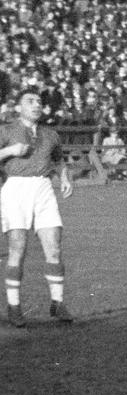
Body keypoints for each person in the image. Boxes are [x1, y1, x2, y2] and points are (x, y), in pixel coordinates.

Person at [0, 90, 74, 326]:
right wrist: (10, 151)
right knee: (17, 247)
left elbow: (59, 159)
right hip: (16, 188)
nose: (36, 105)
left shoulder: (50, 134)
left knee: (54, 245)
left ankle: (58, 302)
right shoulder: (6, 130)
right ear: (19, 107)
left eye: (39, 102)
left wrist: (64, 177)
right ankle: (14, 307)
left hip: (43, 188)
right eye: (30, 101)